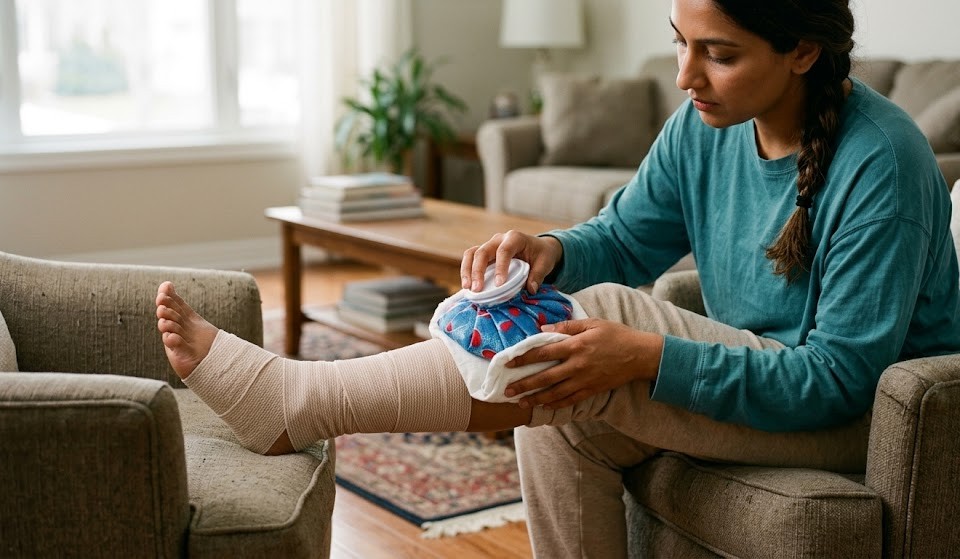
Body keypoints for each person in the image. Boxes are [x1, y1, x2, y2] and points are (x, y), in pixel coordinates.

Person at [155, 0, 960, 556]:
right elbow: (623, 233)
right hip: (779, 373)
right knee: (563, 395)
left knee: (604, 320)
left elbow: (841, 377)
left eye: (718, 53)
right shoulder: (705, 126)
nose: (685, 75)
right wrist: (548, 251)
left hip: (866, 416)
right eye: (680, 40)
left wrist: (645, 354)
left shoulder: (880, 163)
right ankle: (297, 402)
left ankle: (302, 402)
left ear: (803, 52)